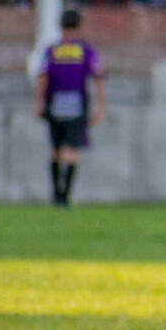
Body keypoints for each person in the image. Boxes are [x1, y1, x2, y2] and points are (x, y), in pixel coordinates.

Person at [35, 10, 103, 207]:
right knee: (71, 150)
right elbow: (98, 78)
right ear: (80, 26)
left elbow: (42, 77)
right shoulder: (86, 51)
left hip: (54, 104)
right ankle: (65, 196)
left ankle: (56, 193)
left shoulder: (51, 50)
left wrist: (37, 102)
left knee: (55, 149)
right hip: (76, 106)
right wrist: (100, 106)